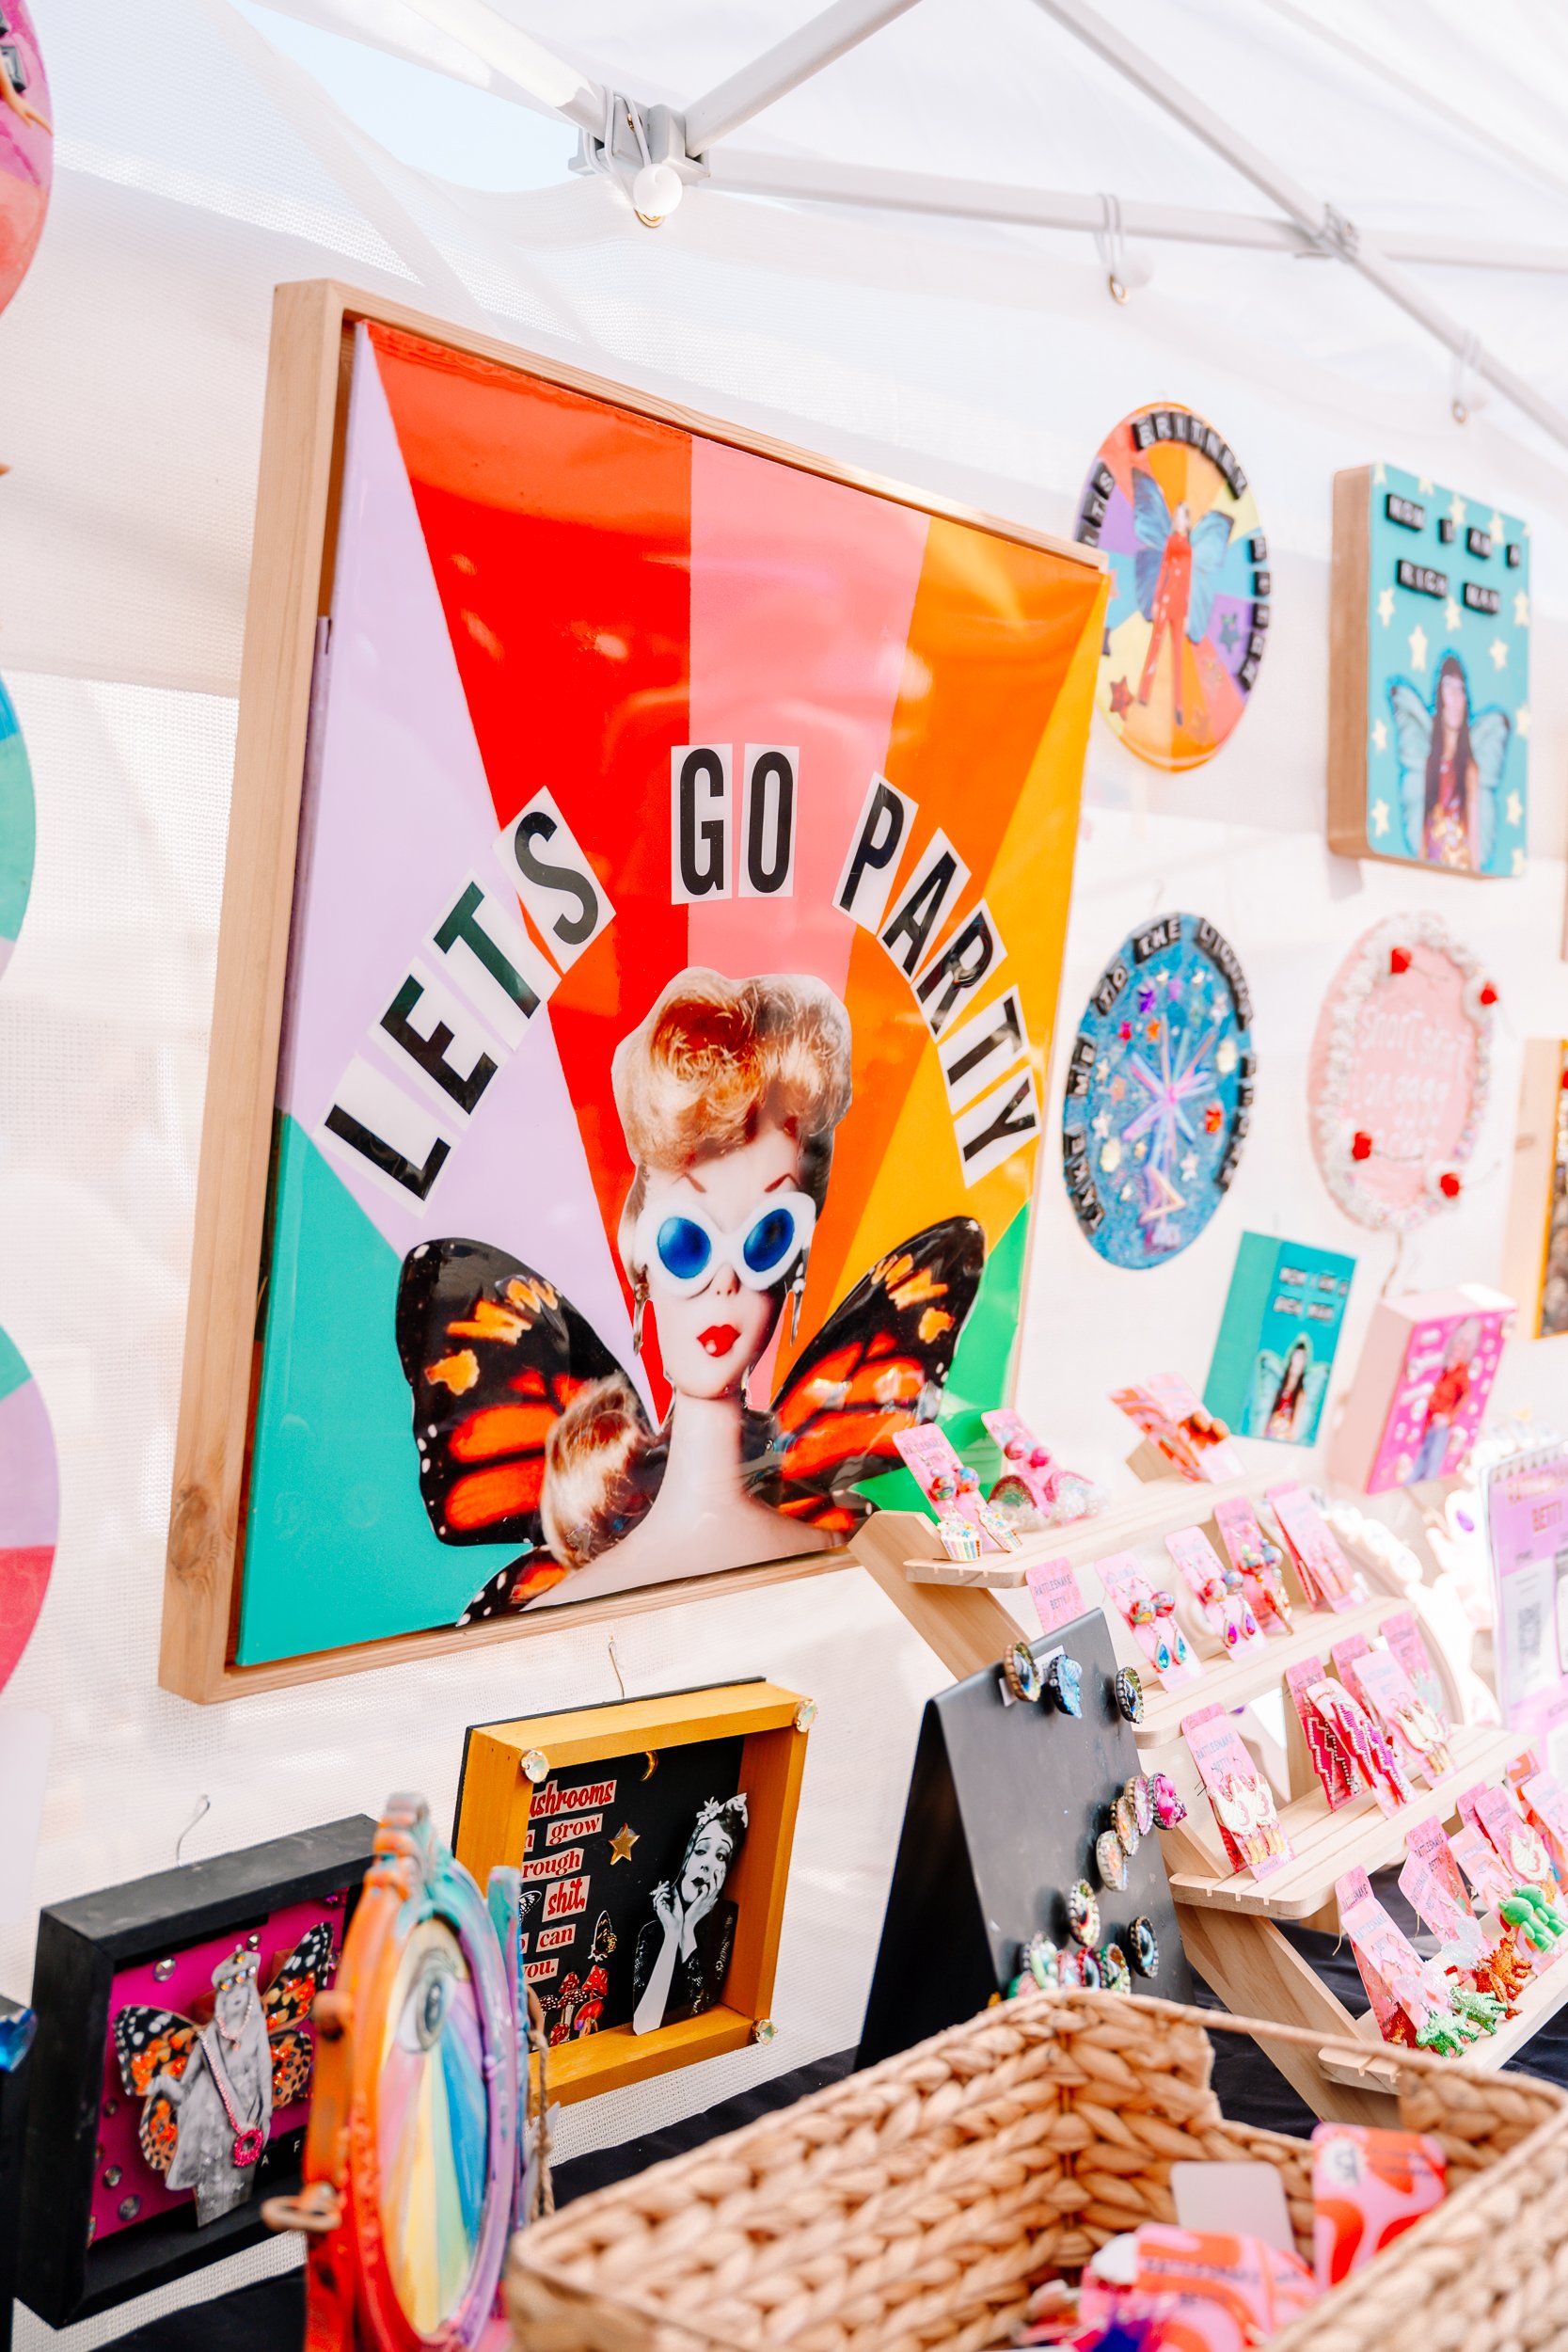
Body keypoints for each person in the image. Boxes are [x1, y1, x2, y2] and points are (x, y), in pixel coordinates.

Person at [539, 969, 853, 1598]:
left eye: (767, 1235)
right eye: (687, 1243)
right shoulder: (561, 1611)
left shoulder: (836, 1556)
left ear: (795, 1265)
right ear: (640, 1260)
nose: (727, 1280)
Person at [146, 1949, 272, 2226]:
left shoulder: (257, 2026)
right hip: (212, 2125)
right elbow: (185, 2090)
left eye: (243, 1983)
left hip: (249, 2116)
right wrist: (163, 2083)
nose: (238, 1992)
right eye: (230, 1986)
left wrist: (267, 2109)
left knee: (240, 2181)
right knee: (215, 2189)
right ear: (222, 1997)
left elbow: (265, 2067)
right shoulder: (207, 2038)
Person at [631, 1795, 748, 2033]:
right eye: (701, 1850)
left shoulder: (723, 1924)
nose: (707, 1865)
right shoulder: (652, 1932)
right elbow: (645, 2024)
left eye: (721, 1856)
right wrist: (673, 1933)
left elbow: (696, 2005)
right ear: (685, 1859)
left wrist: (688, 1930)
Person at [1137, 498, 1193, 725]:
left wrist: (1187, 612)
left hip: (1180, 606)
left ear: (1187, 521)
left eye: (1183, 517)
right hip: (1167, 599)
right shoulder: (1171, 542)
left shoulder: (1190, 548)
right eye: (1177, 516)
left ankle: (1179, 705)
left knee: (1178, 655)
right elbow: (1163, 569)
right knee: (1155, 645)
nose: (1179, 521)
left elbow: (1189, 580)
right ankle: (1144, 693)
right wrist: (1157, 599)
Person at [1423, 655, 1481, 871]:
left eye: (1461, 689)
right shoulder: (1428, 762)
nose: (1455, 698)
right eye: (1448, 687)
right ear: (1439, 695)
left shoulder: (1468, 769)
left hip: (1459, 865)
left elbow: (1473, 835)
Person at [1411, 1318, 1480, 1482]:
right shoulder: (1444, 1366)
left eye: (1464, 1344)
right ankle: (1414, 1480)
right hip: (1429, 1416)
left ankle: (1425, 1482)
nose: (1459, 1347)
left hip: (1441, 1420)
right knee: (1421, 1452)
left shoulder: (1461, 1371)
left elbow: (1465, 1396)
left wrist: (1448, 1417)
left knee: (1434, 1456)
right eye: (1458, 1342)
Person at [1264, 1338, 1311, 1441]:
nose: (1298, 1362)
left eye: (1302, 1359)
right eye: (1297, 1356)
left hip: (1283, 1440)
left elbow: (1295, 1429)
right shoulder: (1279, 1387)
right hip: (1269, 1435)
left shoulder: (1300, 1394)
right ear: (1291, 1358)